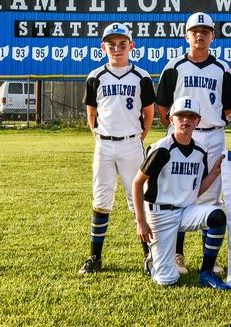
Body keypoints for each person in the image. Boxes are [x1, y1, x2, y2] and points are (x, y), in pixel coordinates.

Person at [156, 12, 231, 275]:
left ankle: (208, 260)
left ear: (213, 36)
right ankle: (177, 255)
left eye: (205, 31)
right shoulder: (174, 66)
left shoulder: (222, 68)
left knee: (210, 197)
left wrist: (214, 121)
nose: (200, 35)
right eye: (195, 31)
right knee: (179, 193)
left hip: (213, 135)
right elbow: (163, 105)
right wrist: (175, 130)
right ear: (186, 35)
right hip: (182, 135)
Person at [79, 23, 155, 274]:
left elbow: (148, 113)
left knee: (140, 202)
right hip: (104, 144)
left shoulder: (141, 76)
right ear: (103, 48)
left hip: (131, 144)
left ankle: (149, 257)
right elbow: (91, 112)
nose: (117, 49)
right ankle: (94, 257)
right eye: (111, 44)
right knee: (101, 200)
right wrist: (98, 135)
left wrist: (137, 136)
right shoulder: (95, 76)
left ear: (131, 46)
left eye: (122, 44)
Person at [133, 96, 229, 289]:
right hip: (160, 214)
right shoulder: (162, 149)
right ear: (171, 119)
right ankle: (152, 258)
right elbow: (137, 183)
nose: (186, 120)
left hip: (185, 210)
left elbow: (196, 189)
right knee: (167, 281)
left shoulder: (200, 151)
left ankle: (206, 272)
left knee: (217, 217)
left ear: (198, 121)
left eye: (191, 117)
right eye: (181, 116)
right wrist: (141, 221)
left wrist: (215, 172)